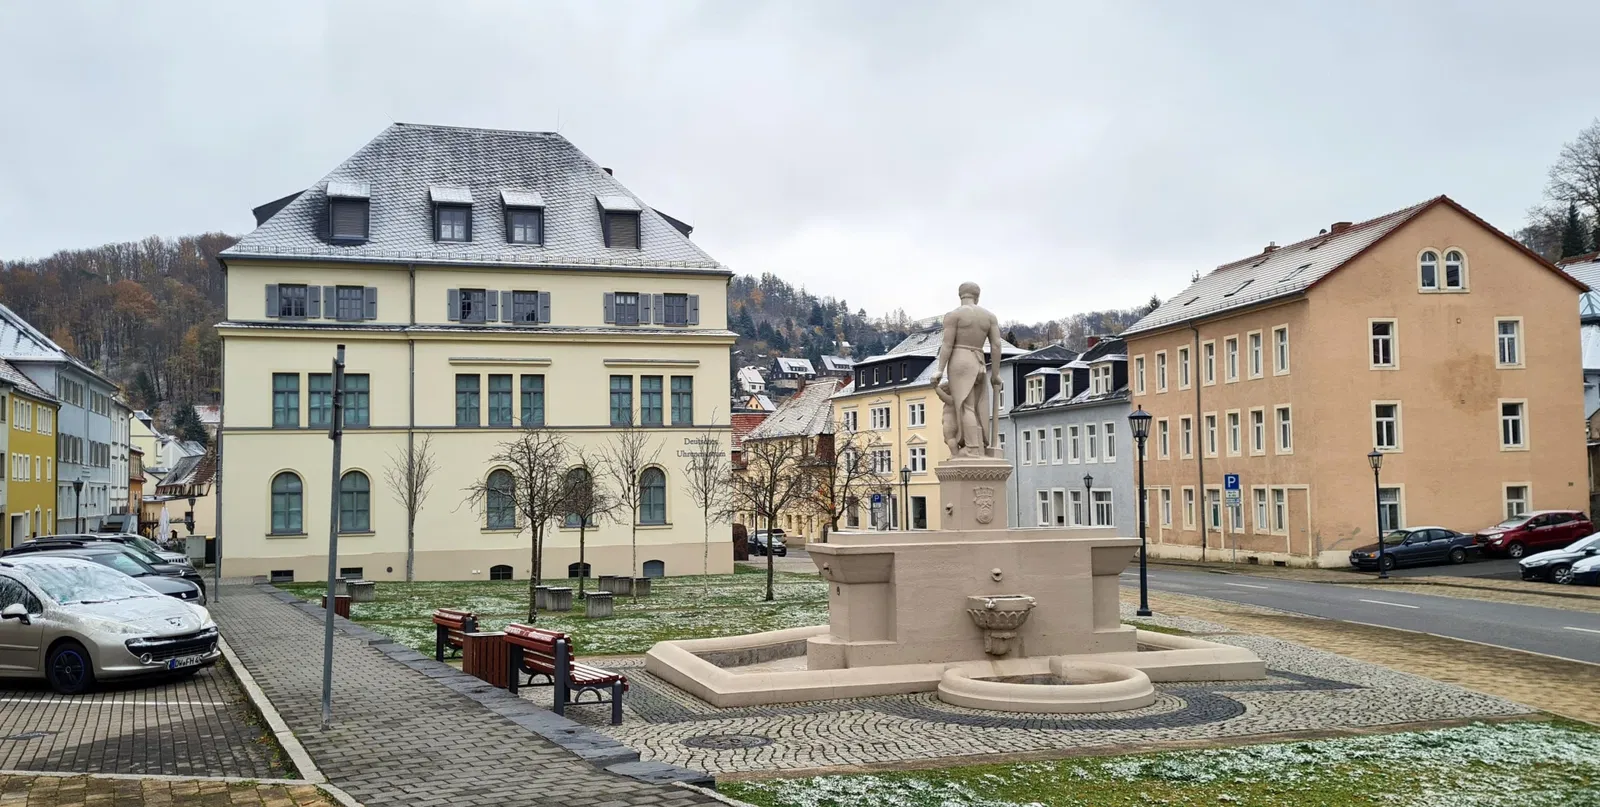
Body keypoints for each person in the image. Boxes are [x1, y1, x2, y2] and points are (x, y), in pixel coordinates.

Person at [928, 282, 1004, 457]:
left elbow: (947, 344)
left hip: (960, 360)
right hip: (979, 360)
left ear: (960, 295)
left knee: (965, 407)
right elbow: (996, 345)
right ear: (977, 296)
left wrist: (940, 369)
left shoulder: (954, 315)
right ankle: (980, 444)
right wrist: (996, 374)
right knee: (978, 407)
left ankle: (972, 448)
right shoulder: (989, 317)